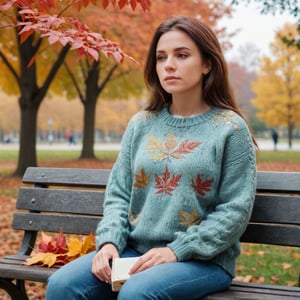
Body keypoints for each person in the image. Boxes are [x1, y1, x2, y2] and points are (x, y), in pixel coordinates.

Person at [45, 15, 257, 300]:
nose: (168, 64)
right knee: (62, 285)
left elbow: (235, 210)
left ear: (207, 64)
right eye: (161, 57)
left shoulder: (230, 129)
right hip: (133, 252)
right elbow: (119, 193)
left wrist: (175, 251)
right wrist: (109, 242)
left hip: (202, 260)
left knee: (136, 293)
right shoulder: (142, 124)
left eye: (181, 55)